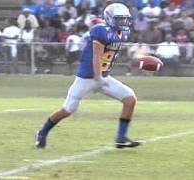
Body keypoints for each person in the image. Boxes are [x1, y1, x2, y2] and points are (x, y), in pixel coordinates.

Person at [35, 3, 141, 149]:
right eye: (119, 19)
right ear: (110, 19)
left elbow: (112, 55)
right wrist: (99, 78)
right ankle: (42, 132)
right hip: (87, 78)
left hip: (103, 76)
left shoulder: (123, 33)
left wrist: (140, 63)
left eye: (124, 19)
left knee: (130, 99)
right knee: (68, 109)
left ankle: (121, 138)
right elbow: (97, 56)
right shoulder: (100, 30)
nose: (123, 22)